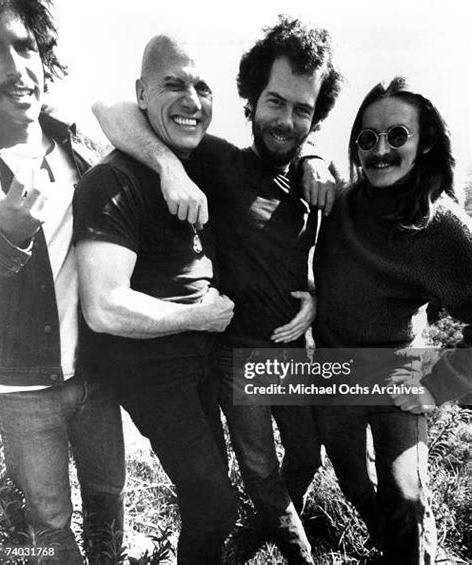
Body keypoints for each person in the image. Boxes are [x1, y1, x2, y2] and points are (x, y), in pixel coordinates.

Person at [92, 16, 342, 564]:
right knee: (258, 470)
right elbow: (108, 109)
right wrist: (168, 168)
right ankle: (293, 551)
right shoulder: (218, 162)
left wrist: (315, 295)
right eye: (275, 102)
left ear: (315, 118)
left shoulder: (313, 186)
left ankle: (261, 529)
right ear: (251, 100)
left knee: (307, 458)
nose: (286, 120)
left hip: (293, 357)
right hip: (237, 359)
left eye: (303, 109)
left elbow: (307, 257)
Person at [73, 35, 238, 565]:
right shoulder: (112, 181)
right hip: (153, 369)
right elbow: (104, 306)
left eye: (202, 87)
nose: (192, 99)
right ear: (142, 92)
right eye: (174, 84)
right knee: (214, 504)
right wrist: (199, 316)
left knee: (215, 494)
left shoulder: (197, 161)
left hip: (201, 361)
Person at [312, 76, 472, 564]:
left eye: (397, 136)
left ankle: (416, 551)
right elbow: (300, 150)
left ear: (425, 144)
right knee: (356, 486)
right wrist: (310, 158)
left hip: (399, 369)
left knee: (405, 498)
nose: (380, 150)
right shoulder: (338, 203)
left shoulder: (441, 227)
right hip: (335, 372)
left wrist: (439, 382)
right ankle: (401, 550)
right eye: (367, 138)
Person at [0, 1, 125, 564]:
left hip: (97, 377)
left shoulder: (80, 147)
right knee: (50, 529)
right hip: (21, 392)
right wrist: (7, 239)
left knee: (108, 500)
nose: (13, 68)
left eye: (25, 47)